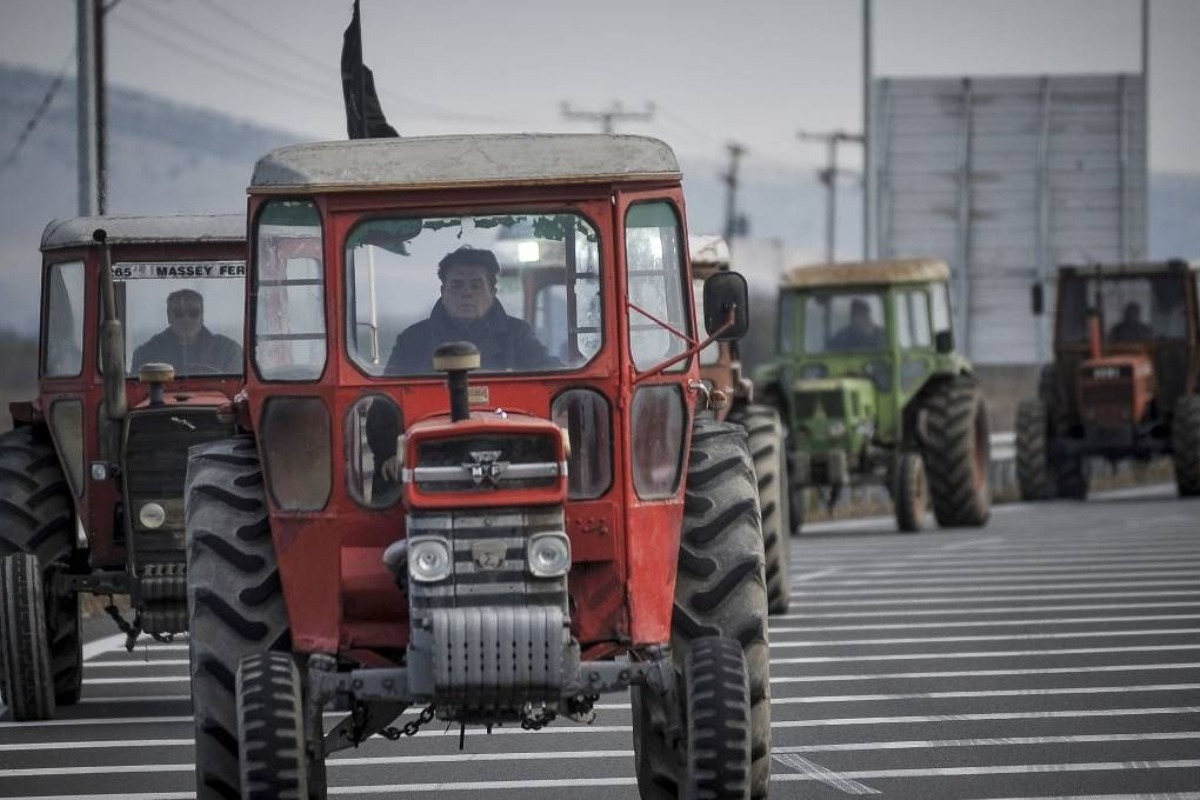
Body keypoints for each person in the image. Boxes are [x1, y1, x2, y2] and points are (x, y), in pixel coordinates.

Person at [368, 246, 558, 484]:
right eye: (457, 286)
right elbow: (385, 403)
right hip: (432, 455)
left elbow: (554, 377)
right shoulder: (412, 341)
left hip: (513, 449)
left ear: (493, 290)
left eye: (476, 286)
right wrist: (388, 453)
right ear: (443, 291)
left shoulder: (517, 336)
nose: (466, 294)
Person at [131, 288, 242, 374]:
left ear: (202, 316)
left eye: (193, 313)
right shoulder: (147, 353)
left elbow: (238, 391)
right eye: (179, 313)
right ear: (169, 316)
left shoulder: (228, 351)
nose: (186, 319)